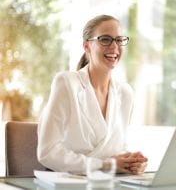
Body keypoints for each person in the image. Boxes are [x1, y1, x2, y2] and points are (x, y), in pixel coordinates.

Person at [37, 14, 148, 175]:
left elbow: (116, 149)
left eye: (119, 40)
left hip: (106, 183)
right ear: (87, 46)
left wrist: (131, 162)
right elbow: (47, 152)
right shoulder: (67, 83)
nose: (114, 46)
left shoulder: (125, 93)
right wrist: (105, 165)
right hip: (68, 183)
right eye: (105, 39)